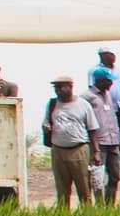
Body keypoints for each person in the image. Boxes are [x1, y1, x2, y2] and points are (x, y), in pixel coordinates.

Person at [41, 75, 99, 208]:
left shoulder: (83, 105)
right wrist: (46, 128)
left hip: (78, 150)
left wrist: (96, 151)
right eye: (56, 88)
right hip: (58, 150)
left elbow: (93, 129)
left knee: (84, 188)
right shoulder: (52, 104)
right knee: (62, 190)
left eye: (61, 87)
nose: (58, 91)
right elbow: (46, 122)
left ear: (70, 87)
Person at [84, 68, 120, 204]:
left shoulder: (108, 95)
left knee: (115, 176)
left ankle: (109, 205)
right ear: (99, 81)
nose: (111, 84)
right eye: (108, 81)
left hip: (113, 141)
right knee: (97, 178)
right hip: (99, 143)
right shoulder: (87, 97)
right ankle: (99, 206)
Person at [96, 49, 120, 168]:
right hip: (106, 108)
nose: (113, 57)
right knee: (106, 134)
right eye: (110, 55)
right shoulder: (96, 71)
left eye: (114, 54)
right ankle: (107, 161)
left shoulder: (119, 71)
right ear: (102, 56)